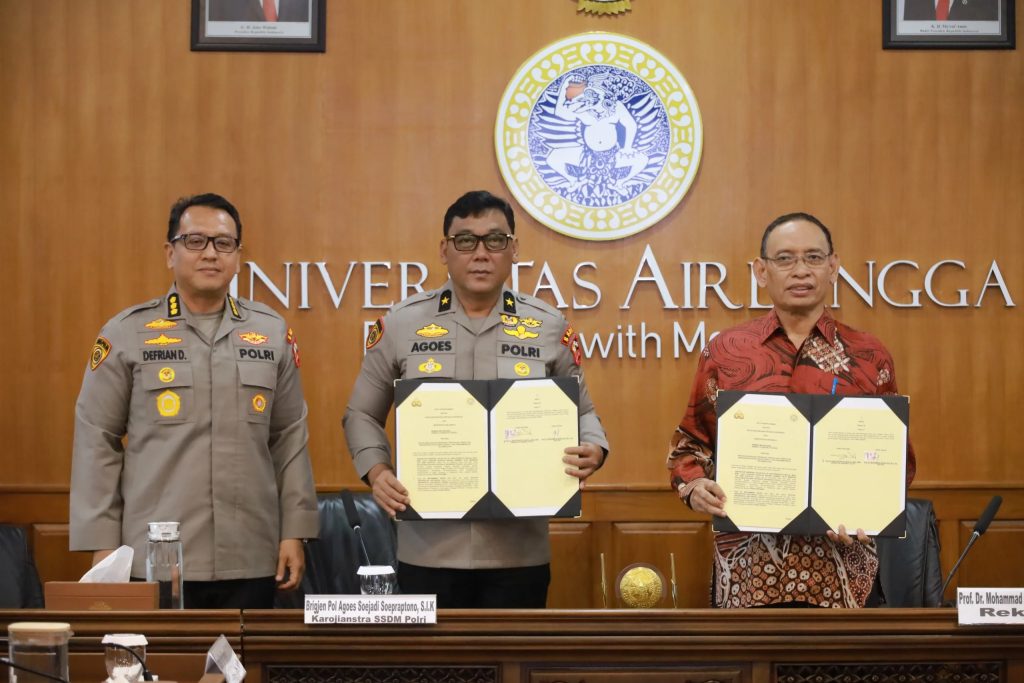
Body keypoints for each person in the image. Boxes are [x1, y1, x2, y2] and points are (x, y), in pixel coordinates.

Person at [344, 190, 609, 608]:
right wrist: (377, 473)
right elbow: (360, 413)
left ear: (514, 249)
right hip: (429, 548)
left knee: (515, 670)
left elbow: (584, 412)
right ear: (444, 250)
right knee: (437, 674)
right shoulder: (402, 324)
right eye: (465, 241)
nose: (481, 253)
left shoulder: (547, 325)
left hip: (518, 551)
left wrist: (594, 447)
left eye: (495, 240)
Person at [70, 193, 318, 609]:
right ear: (170, 252)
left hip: (251, 554)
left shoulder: (271, 332)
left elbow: (289, 438)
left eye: (223, 243)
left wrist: (294, 531)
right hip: (155, 558)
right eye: (195, 241)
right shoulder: (128, 333)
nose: (210, 254)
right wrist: (102, 543)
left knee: (245, 671)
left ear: (238, 256)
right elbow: (97, 439)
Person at [666, 212, 917, 608]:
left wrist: (872, 507)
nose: (800, 270)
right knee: (750, 671)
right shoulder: (726, 352)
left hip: (842, 572)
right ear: (761, 271)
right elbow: (688, 447)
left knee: (840, 670)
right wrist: (695, 487)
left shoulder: (870, 355)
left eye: (813, 258)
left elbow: (895, 461)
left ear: (833, 267)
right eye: (785, 259)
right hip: (748, 573)